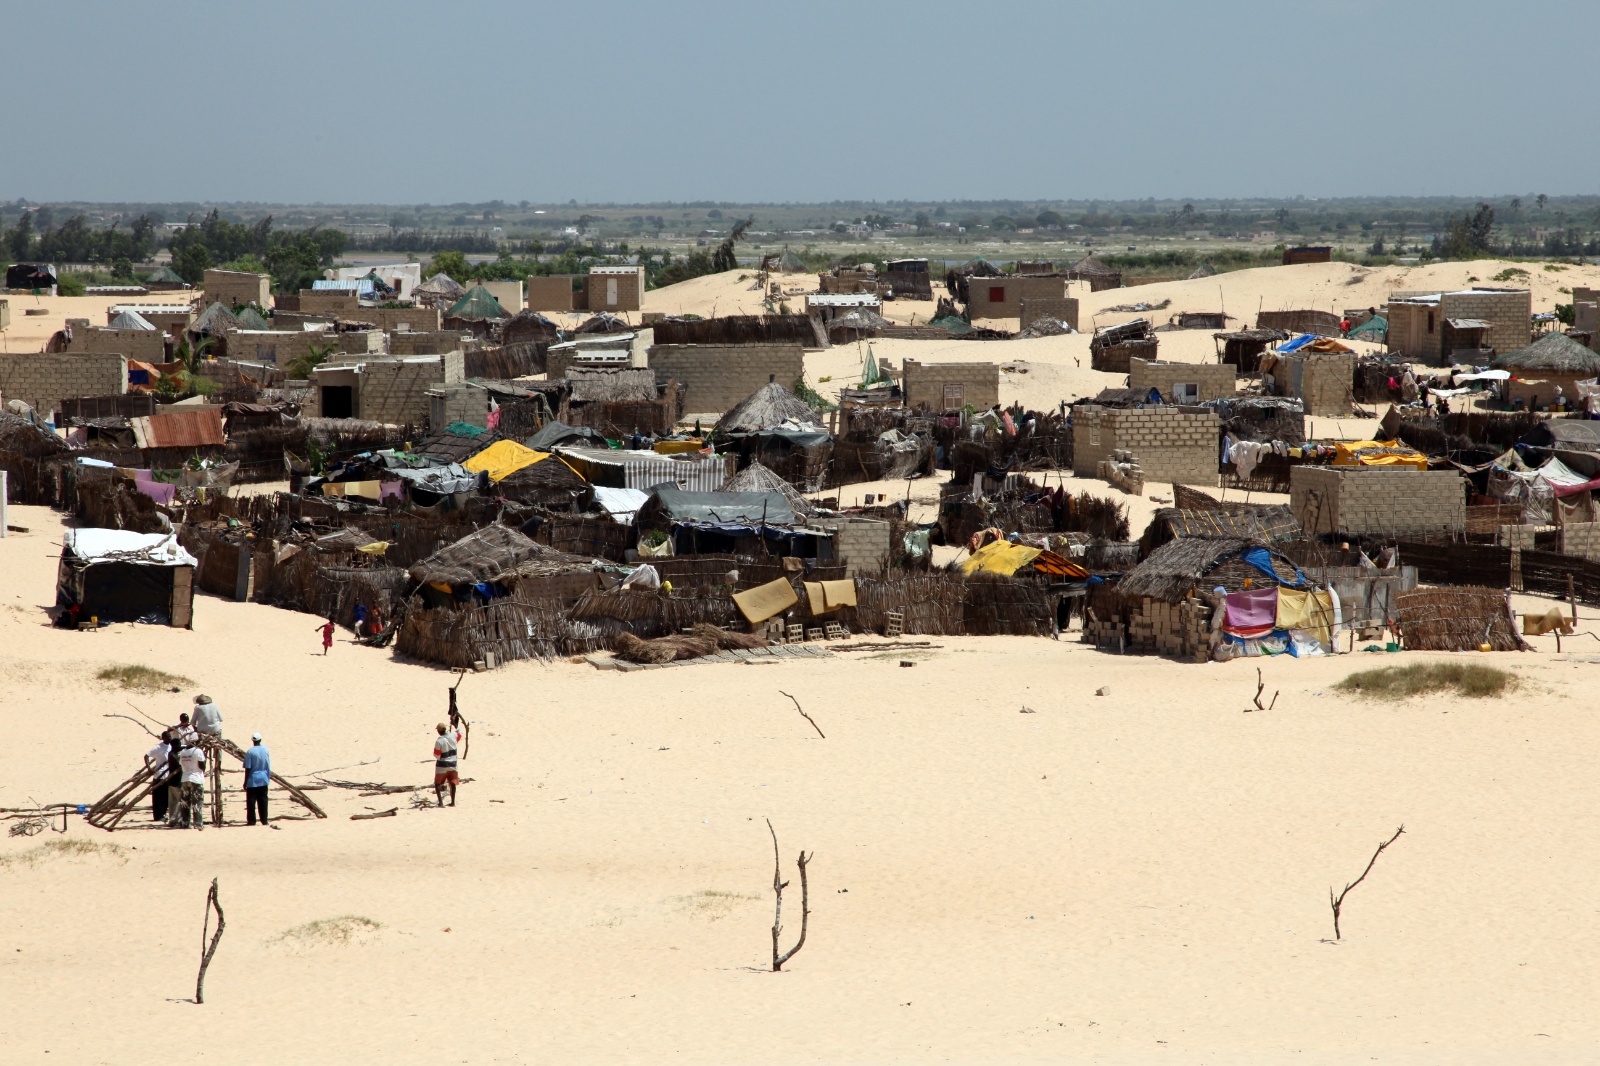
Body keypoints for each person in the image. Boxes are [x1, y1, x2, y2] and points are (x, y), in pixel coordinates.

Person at [177, 738, 207, 830]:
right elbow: (202, 766)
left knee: (185, 802)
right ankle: (198, 823)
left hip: (185, 778)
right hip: (196, 778)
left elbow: (180, 764)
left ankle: (185, 822)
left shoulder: (182, 752)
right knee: (197, 801)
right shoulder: (198, 751)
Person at [243, 732, 271, 827]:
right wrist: (268, 777)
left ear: (253, 741)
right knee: (263, 800)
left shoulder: (250, 752)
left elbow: (248, 768)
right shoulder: (265, 750)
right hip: (263, 778)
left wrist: (245, 781)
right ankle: (264, 820)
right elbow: (267, 764)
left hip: (253, 779)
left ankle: (252, 821)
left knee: (251, 801)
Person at [144, 735, 173, 822]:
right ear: (164, 738)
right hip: (159, 774)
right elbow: (146, 756)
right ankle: (158, 815)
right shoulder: (158, 747)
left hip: (168, 774)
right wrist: (149, 768)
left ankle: (163, 814)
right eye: (168, 737)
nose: (170, 738)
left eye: (170, 737)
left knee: (165, 795)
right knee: (158, 796)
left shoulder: (171, 746)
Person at [433, 723, 459, 808]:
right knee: (452, 782)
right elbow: (460, 732)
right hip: (453, 764)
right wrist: (455, 724)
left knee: (437, 783)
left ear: (439, 731)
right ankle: (453, 802)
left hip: (442, 765)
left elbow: (437, 755)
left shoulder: (439, 741)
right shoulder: (453, 736)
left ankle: (440, 803)